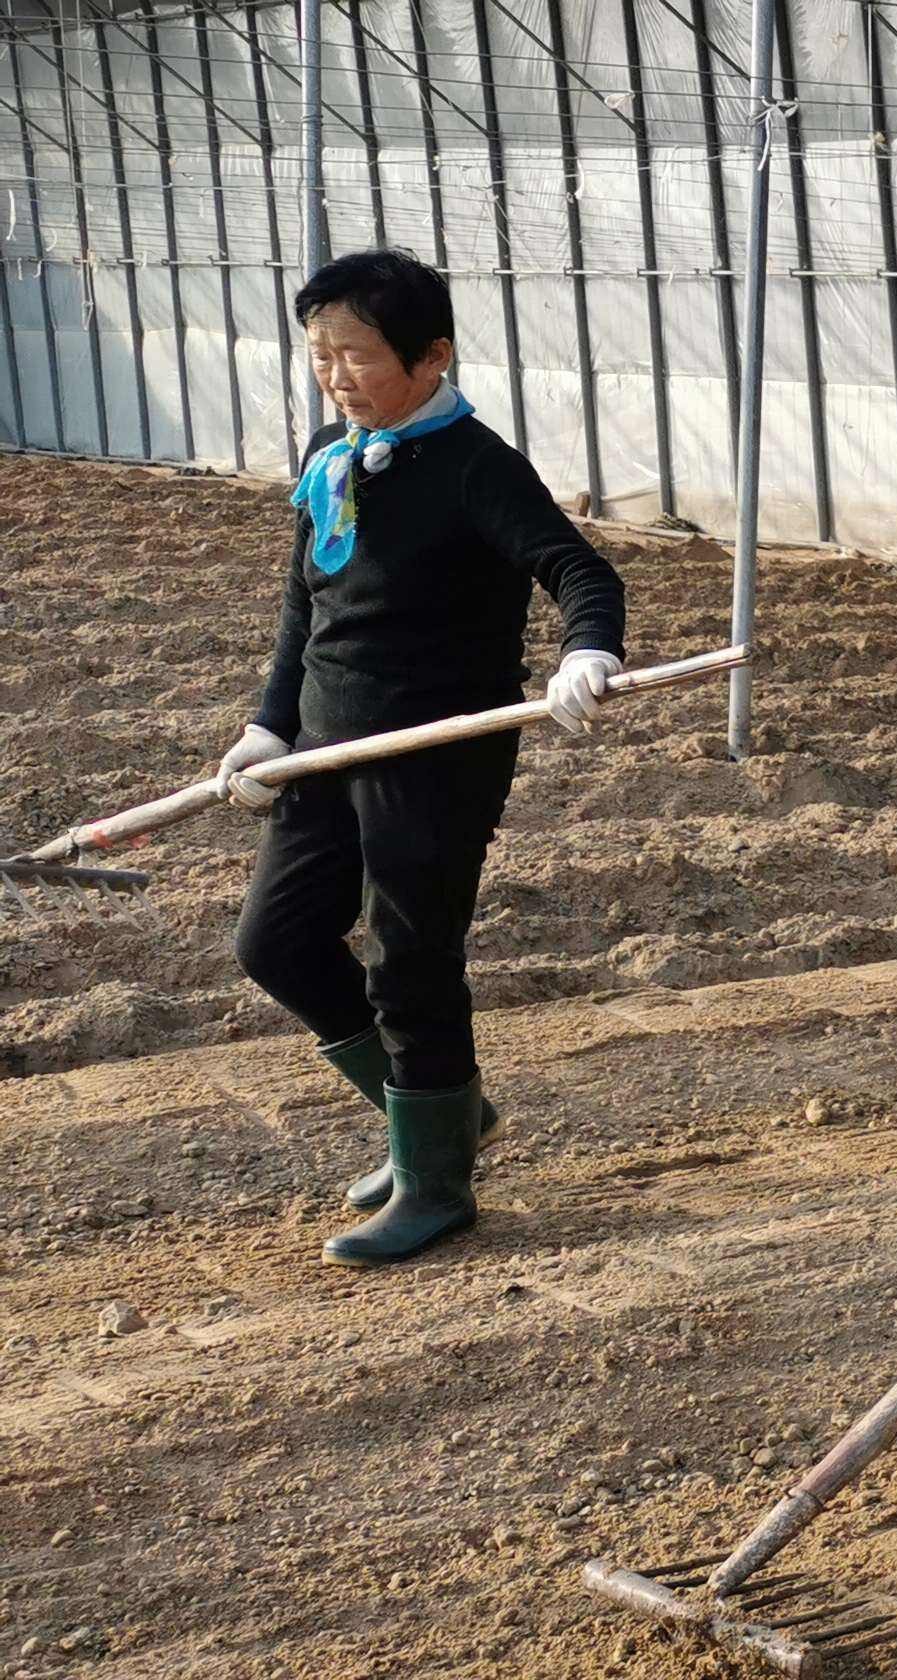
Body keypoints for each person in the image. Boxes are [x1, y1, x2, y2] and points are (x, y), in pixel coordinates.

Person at [218, 248, 628, 1265]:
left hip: (432, 757)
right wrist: (270, 725)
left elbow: (576, 568)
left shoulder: (472, 466)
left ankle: (435, 1184)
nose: (334, 376)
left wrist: (586, 652)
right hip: (322, 747)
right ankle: (444, 1116)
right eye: (320, 355)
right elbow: (304, 607)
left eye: (355, 356)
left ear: (431, 356)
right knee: (276, 941)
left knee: (410, 959)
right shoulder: (330, 453)